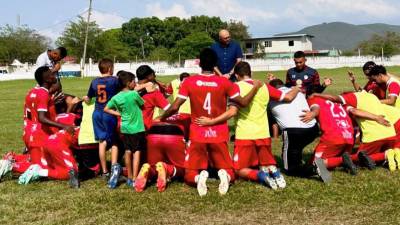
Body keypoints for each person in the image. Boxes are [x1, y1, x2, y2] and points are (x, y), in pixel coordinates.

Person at [159, 48, 261, 196]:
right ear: (216, 64)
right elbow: (243, 102)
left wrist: (162, 118)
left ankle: (197, 177)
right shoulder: (224, 82)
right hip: (218, 132)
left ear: (199, 63)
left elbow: (175, 106)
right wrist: (255, 88)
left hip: (197, 132)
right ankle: (224, 175)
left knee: (189, 173)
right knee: (229, 171)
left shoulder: (189, 82)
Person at [195, 61, 300, 189]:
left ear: (237, 76)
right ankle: (274, 171)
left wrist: (211, 121)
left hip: (245, 135)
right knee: (264, 163)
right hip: (263, 134)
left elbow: (232, 112)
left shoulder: (236, 87)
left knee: (238, 170)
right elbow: (289, 97)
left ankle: (262, 176)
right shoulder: (264, 86)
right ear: (251, 73)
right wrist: (297, 88)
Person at [312, 91, 397, 170]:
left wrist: (376, 118)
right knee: (368, 156)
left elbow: (352, 109)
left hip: (373, 137)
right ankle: (387, 154)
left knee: (357, 158)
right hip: (391, 134)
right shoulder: (372, 96)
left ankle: (385, 155)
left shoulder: (350, 101)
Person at [268, 79, 325, 181]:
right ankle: (299, 161)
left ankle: (313, 169)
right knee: (295, 149)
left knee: (288, 168)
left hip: (293, 132)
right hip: (313, 129)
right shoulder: (298, 92)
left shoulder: (272, 95)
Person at [104, 71, 145, 189]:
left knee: (127, 151)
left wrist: (118, 113)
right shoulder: (134, 94)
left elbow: (106, 109)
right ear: (128, 83)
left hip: (125, 128)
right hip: (137, 128)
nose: (135, 83)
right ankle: (135, 177)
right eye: (134, 81)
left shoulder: (116, 97)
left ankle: (129, 178)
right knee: (137, 152)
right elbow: (142, 105)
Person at [301, 95, 357, 176]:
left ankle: (342, 160)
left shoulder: (312, 98)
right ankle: (348, 159)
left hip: (333, 136)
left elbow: (316, 108)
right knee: (331, 159)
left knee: (312, 166)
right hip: (349, 137)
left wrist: (313, 113)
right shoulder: (337, 102)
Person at [83, 58, 119, 178]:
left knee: (102, 142)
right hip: (109, 113)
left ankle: (105, 171)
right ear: (109, 69)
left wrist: (85, 99)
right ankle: (114, 170)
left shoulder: (94, 82)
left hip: (97, 113)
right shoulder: (114, 80)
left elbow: (88, 98)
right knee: (114, 141)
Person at [135, 65, 171, 130]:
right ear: (150, 75)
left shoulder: (128, 88)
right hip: (143, 129)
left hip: (124, 129)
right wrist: (161, 117)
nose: (155, 76)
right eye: (153, 74)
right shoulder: (153, 92)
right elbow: (171, 109)